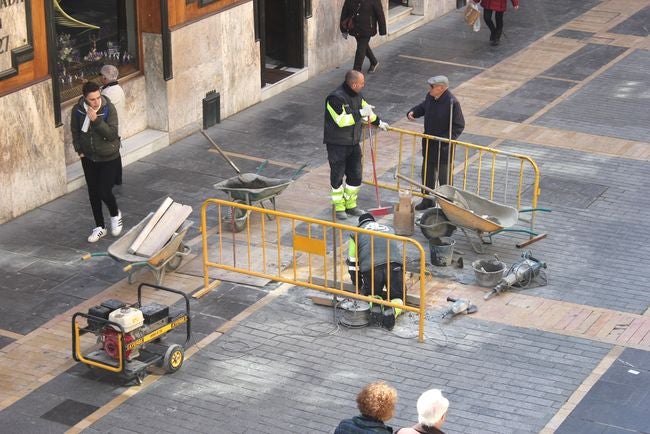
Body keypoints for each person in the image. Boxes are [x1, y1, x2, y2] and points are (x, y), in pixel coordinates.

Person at [324, 70, 389, 220]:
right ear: (354, 84)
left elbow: (367, 112)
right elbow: (341, 121)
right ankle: (339, 207)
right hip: (337, 144)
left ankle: (351, 205)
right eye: (361, 83)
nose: (363, 85)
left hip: (353, 142)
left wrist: (379, 122)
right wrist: (360, 113)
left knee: (356, 175)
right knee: (337, 175)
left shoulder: (357, 95)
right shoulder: (334, 99)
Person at [71, 81, 123, 242]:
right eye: (92, 99)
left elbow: (112, 134)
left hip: (109, 157)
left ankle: (115, 214)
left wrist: (96, 120)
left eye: (97, 97)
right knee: (93, 193)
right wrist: (79, 149)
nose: (96, 102)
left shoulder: (108, 108)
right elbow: (75, 130)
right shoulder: (78, 110)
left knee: (103, 191)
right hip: (89, 157)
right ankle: (100, 227)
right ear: (85, 99)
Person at [407, 76, 465, 211]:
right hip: (429, 144)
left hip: (443, 147)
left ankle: (448, 206)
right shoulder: (431, 97)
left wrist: (444, 139)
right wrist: (413, 112)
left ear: (441, 88)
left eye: (432, 87)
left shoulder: (452, 103)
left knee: (445, 178)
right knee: (427, 173)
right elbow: (423, 107)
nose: (429, 89)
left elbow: (459, 125)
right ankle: (427, 201)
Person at [348, 213, 404, 330]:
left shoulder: (355, 232)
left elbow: (353, 263)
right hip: (394, 264)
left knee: (372, 294)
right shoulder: (389, 229)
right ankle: (393, 309)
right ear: (374, 221)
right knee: (398, 296)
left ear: (360, 224)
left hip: (371, 267)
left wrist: (357, 282)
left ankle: (375, 306)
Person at [340, 0, 386, 73]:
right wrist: (343, 29)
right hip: (355, 27)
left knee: (361, 48)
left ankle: (356, 71)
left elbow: (380, 13)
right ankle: (374, 62)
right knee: (363, 46)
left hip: (368, 28)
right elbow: (344, 12)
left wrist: (382, 30)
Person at [100, 64, 125, 185]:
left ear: (104, 78)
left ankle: (114, 178)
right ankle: (117, 178)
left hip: (111, 129)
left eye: (101, 76)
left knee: (112, 154)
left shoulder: (108, 93)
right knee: (115, 153)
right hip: (115, 128)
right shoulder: (117, 89)